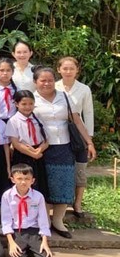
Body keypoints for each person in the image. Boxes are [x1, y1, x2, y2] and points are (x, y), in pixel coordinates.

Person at [33, 67, 95, 239]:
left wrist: (89, 142)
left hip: (64, 147)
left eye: (50, 80)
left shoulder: (64, 97)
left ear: (55, 80)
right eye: (42, 80)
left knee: (65, 184)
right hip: (42, 148)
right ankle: (44, 222)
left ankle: (58, 221)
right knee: (43, 185)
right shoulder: (31, 98)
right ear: (35, 82)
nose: (46, 83)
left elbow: (76, 119)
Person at [56, 57, 95, 218]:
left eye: (71, 68)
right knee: (62, 169)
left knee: (80, 168)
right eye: (65, 68)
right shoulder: (53, 86)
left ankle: (77, 203)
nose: (68, 71)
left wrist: (89, 139)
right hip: (59, 132)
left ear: (77, 70)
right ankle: (59, 202)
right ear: (59, 69)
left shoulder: (84, 89)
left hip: (79, 133)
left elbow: (88, 113)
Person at [1, 164, 53, 257]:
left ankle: (30, 250)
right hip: (17, 232)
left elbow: (43, 220)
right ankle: (25, 251)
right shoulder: (7, 195)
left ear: (32, 180)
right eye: (19, 178)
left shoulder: (38, 196)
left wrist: (44, 242)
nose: (23, 182)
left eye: (27, 179)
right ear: (12, 179)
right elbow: (6, 221)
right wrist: (11, 243)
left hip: (33, 231)